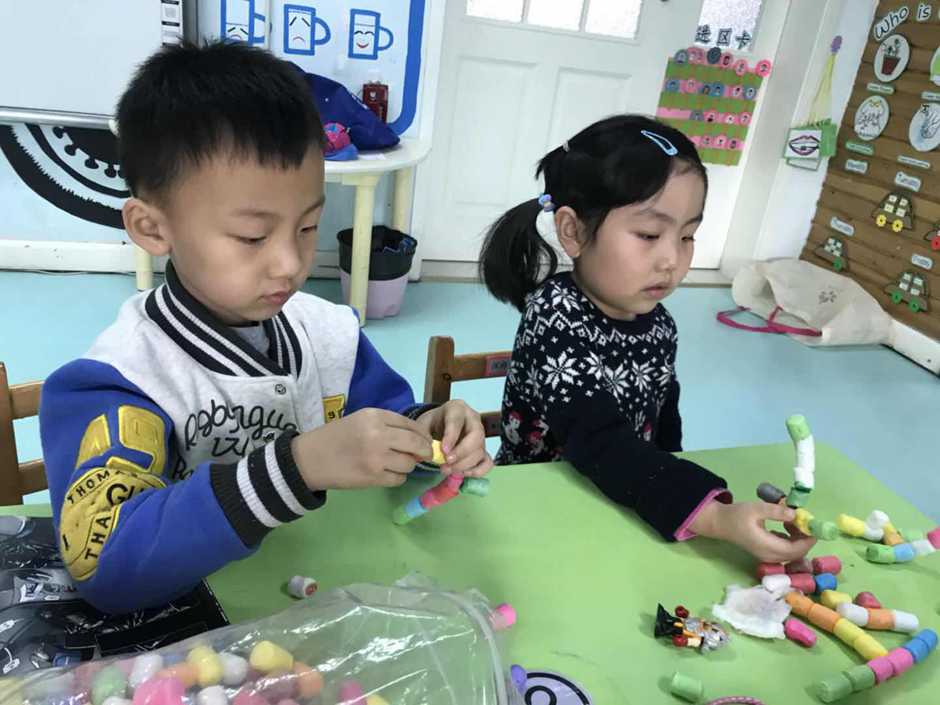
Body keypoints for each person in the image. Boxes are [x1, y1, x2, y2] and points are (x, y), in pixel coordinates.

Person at [40, 41, 491, 613]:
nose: (290, 263)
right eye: (253, 236)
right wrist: (298, 467)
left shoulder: (328, 335)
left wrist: (429, 435)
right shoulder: (120, 379)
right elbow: (105, 565)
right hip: (197, 634)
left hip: (320, 603)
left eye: (308, 227)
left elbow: (387, 419)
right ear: (152, 229)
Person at [479, 115, 814, 563]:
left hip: (621, 500)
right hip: (539, 507)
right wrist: (712, 517)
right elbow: (598, 439)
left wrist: (686, 493)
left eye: (687, 236)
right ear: (573, 231)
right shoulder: (555, 315)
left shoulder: (659, 323)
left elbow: (663, 416)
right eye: (649, 235)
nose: (672, 259)